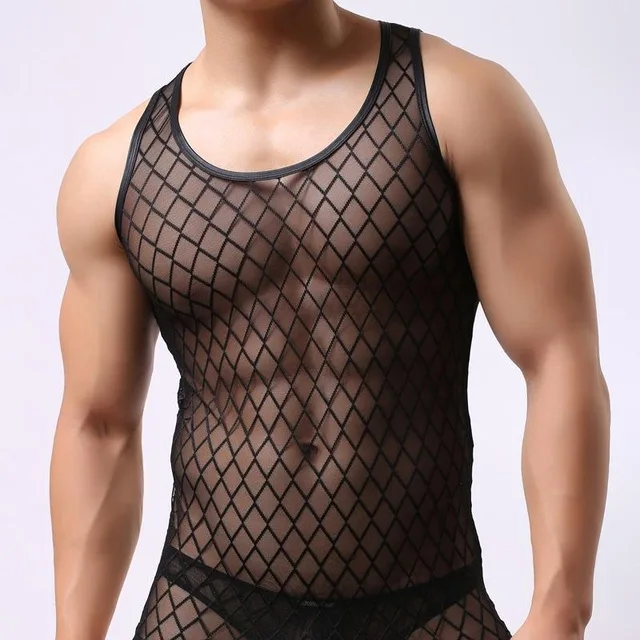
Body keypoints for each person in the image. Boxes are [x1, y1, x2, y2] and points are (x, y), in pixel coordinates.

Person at [50, 1, 611, 639]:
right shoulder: (112, 172)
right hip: (209, 606)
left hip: (427, 602)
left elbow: (559, 353)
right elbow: (98, 425)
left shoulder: (461, 102)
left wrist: (560, 610)